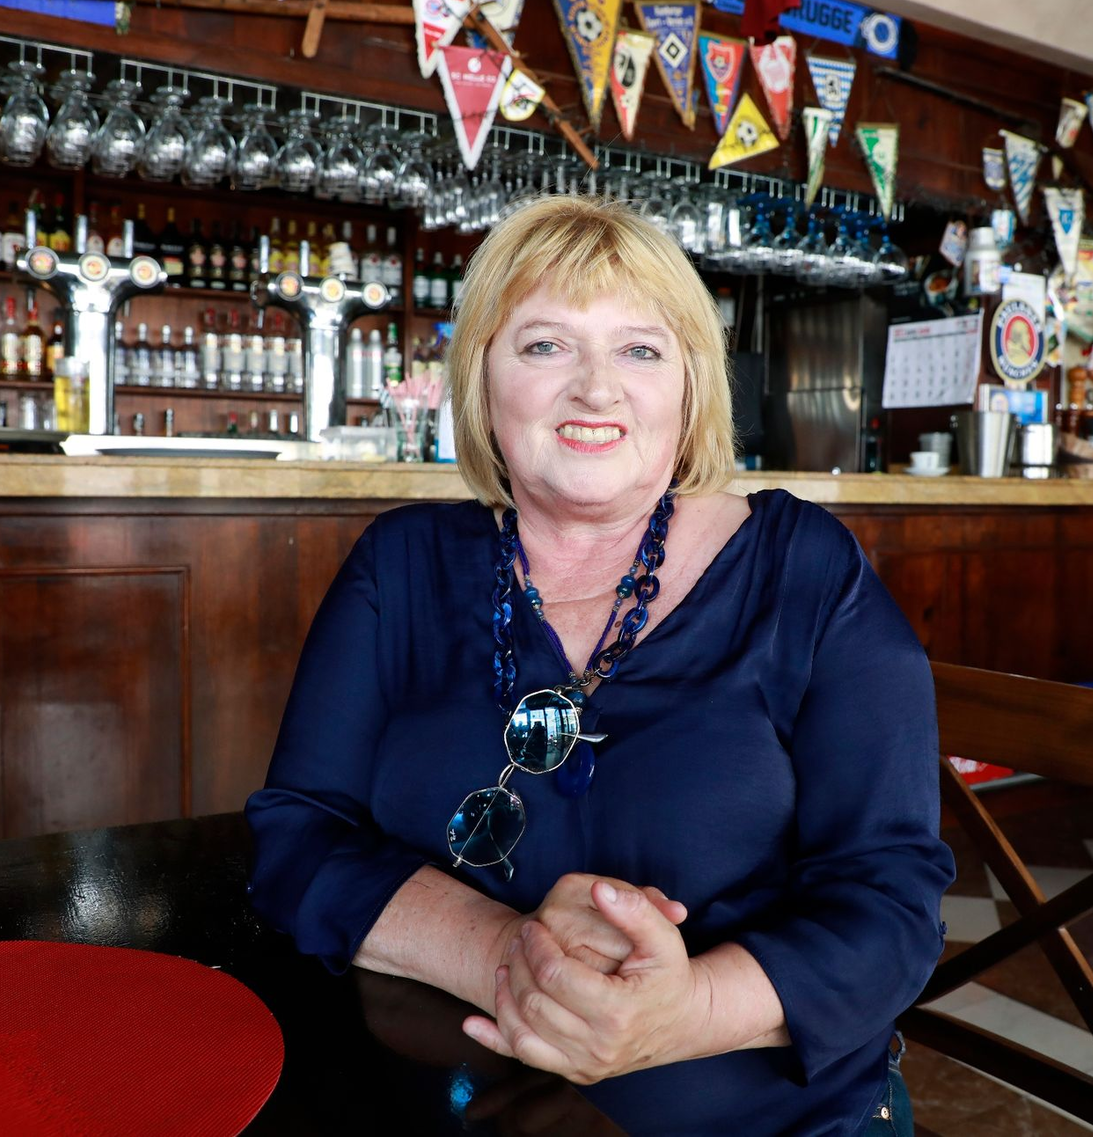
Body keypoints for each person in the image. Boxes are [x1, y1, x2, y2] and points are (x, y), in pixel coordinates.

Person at [245, 195, 954, 1135]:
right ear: (481, 381)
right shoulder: (400, 565)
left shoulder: (806, 572)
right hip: (454, 1106)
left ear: (691, 386)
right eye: (544, 345)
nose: (596, 390)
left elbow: (892, 903)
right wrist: (510, 953)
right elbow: (297, 837)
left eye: (640, 349)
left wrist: (682, 1011)